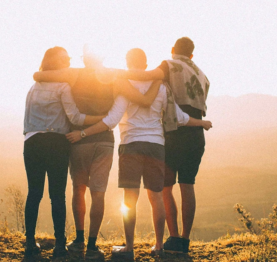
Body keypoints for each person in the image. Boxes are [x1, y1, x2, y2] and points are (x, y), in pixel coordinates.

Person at [66, 48, 212, 259]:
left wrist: (83, 133)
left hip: (131, 145)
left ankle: (129, 247)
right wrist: (202, 123)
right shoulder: (161, 87)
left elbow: (112, 120)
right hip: (156, 146)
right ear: (146, 65)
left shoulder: (125, 86)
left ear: (127, 63)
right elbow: (179, 117)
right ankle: (159, 245)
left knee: (130, 199)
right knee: (156, 197)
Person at [33, 47, 161, 259]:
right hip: (104, 141)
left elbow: (39, 75)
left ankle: (79, 239)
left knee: (79, 189)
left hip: (78, 140)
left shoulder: (74, 73)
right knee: (98, 193)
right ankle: (92, 245)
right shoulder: (114, 74)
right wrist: (158, 76)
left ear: (84, 59)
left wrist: (39, 74)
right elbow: (141, 84)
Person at [118, 37, 211, 253]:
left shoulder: (168, 65)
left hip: (174, 132)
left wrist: (116, 74)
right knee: (188, 185)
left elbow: (148, 76)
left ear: (172, 50)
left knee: (165, 188)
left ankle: (173, 238)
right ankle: (184, 241)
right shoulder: (202, 75)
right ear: (192, 55)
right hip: (195, 134)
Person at [22, 46, 104, 260]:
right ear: (55, 63)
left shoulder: (33, 87)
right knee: (57, 195)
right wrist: (101, 119)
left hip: (32, 142)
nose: (68, 60)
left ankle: (30, 243)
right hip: (57, 143)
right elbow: (75, 118)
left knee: (34, 193)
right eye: (64, 58)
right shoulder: (63, 86)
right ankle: (59, 245)